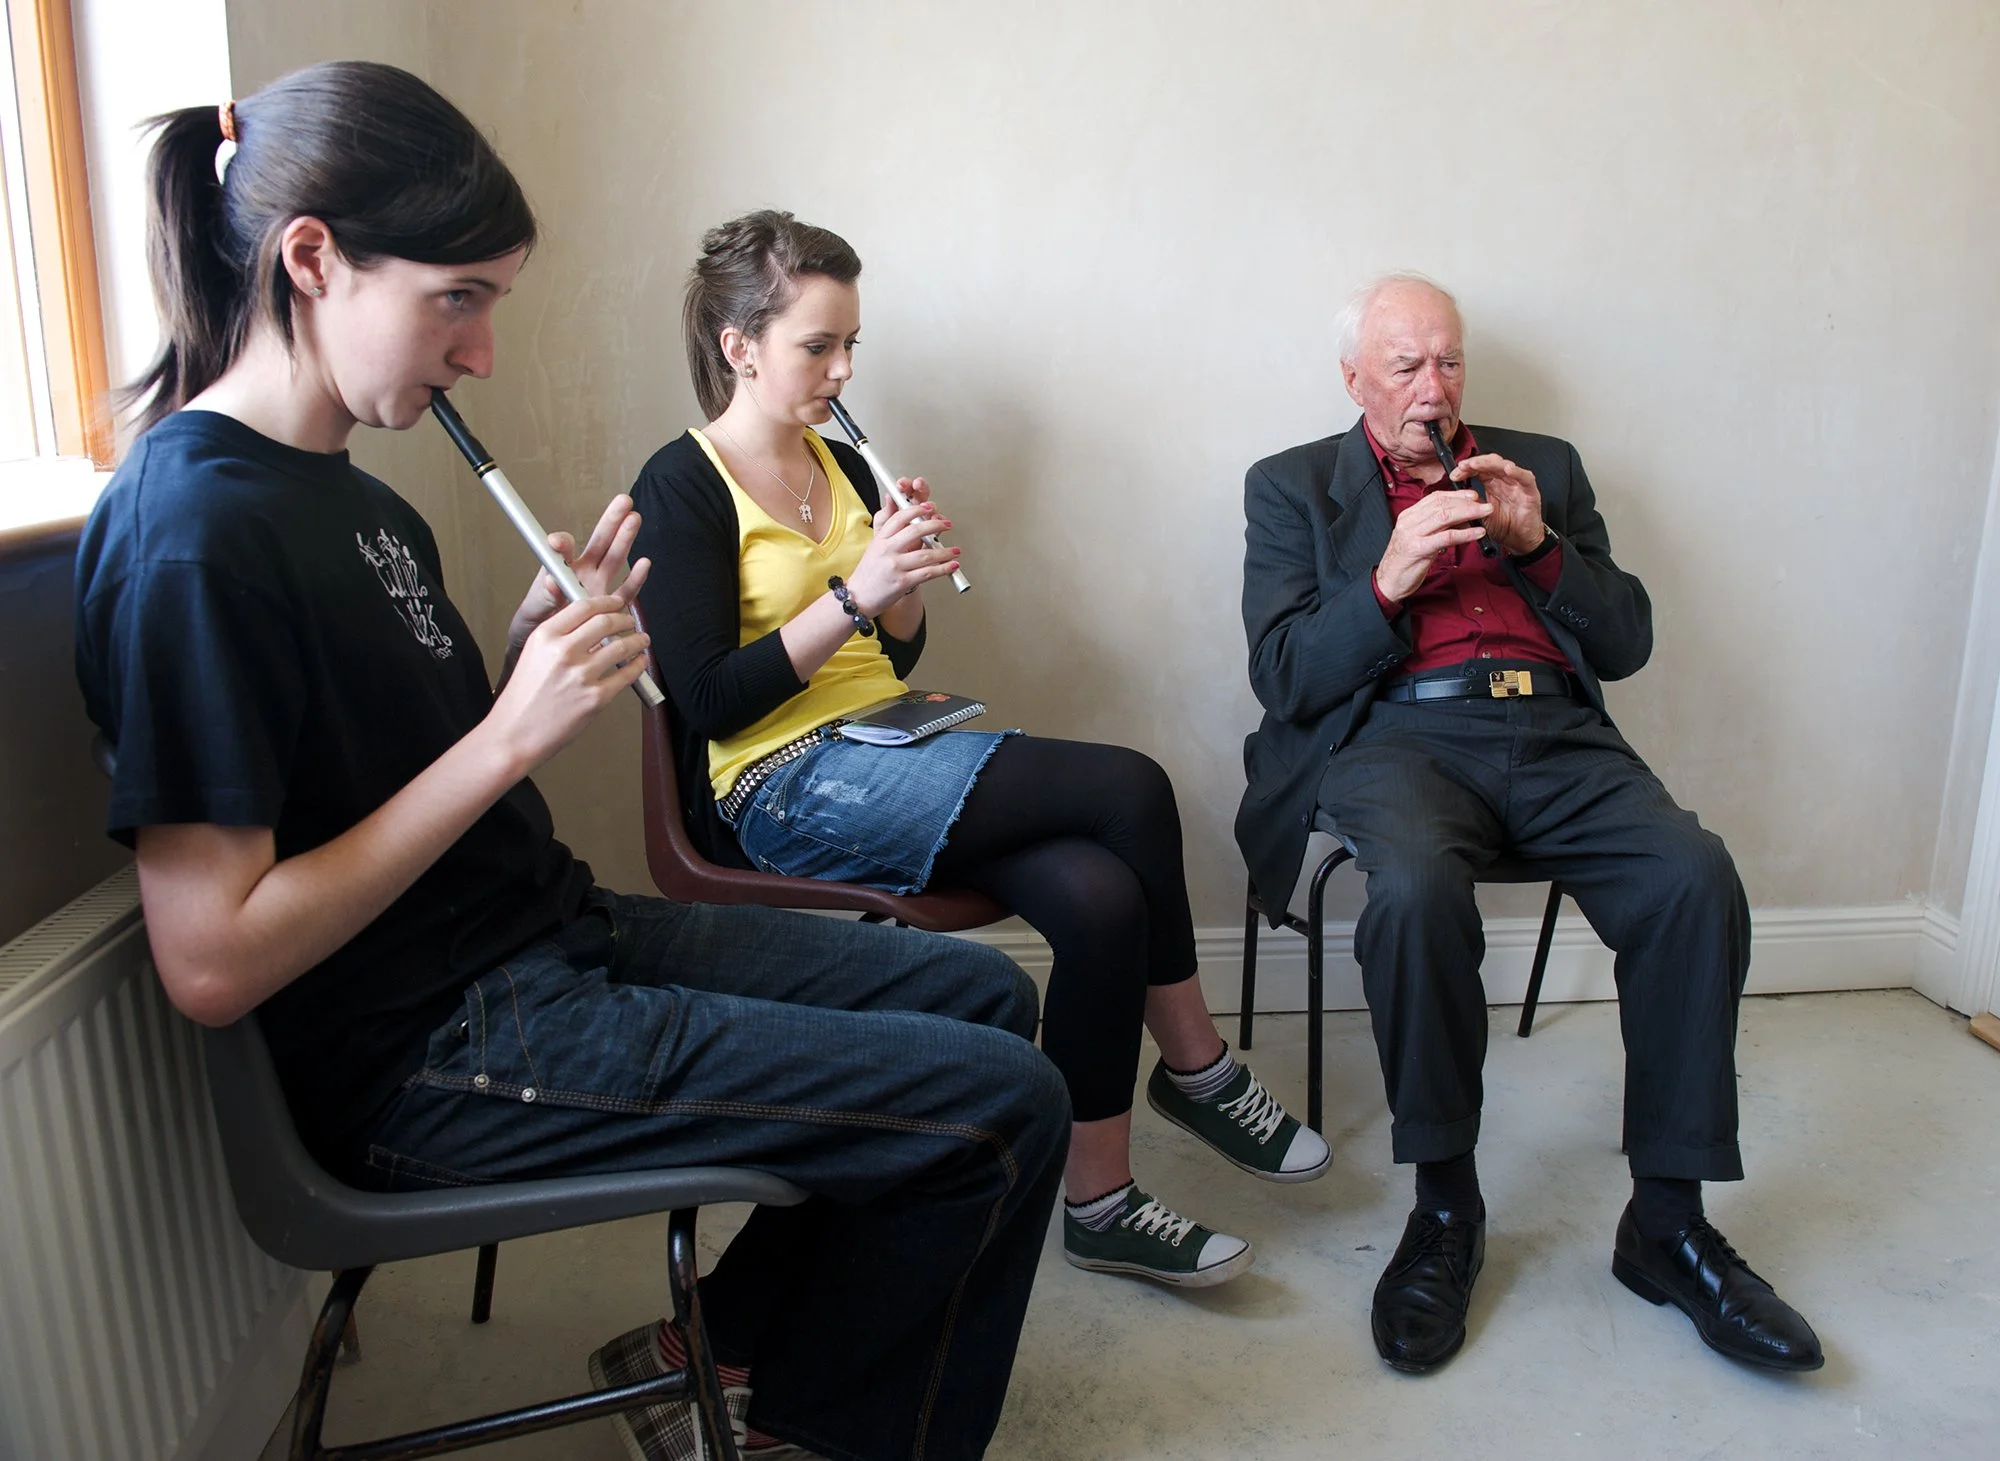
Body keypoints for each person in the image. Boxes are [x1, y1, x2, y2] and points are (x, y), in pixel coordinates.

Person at [74, 63, 1070, 1461]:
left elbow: (366, 781)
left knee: (979, 995)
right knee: (998, 1110)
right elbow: (213, 957)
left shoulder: (356, 503)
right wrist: (505, 737)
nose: (480, 352)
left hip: (545, 942)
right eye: (457, 298)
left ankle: (725, 1355)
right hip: (432, 1051)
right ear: (314, 259)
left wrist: (522, 660)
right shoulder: (190, 534)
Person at [630, 210, 1330, 1290]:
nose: (844, 367)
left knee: (1100, 897)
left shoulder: (844, 464)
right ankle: (1196, 1067)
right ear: (739, 347)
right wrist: (851, 592)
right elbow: (712, 701)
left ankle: (1097, 1202)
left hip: (888, 751)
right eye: (818, 346)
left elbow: (894, 664)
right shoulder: (681, 485)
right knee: (1131, 787)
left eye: (850, 343)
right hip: (779, 783)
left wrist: (897, 591)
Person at [1236, 273, 1822, 1375]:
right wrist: (1383, 581)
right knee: (1409, 889)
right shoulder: (1293, 487)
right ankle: (1446, 1208)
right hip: (1395, 739)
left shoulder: (1541, 466)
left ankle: (1666, 1222)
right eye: (1403, 364)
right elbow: (1281, 676)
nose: (1431, 386)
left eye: (1447, 361)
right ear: (1352, 376)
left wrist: (1539, 546)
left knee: (1693, 875)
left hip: (1557, 736)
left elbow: (1626, 641)